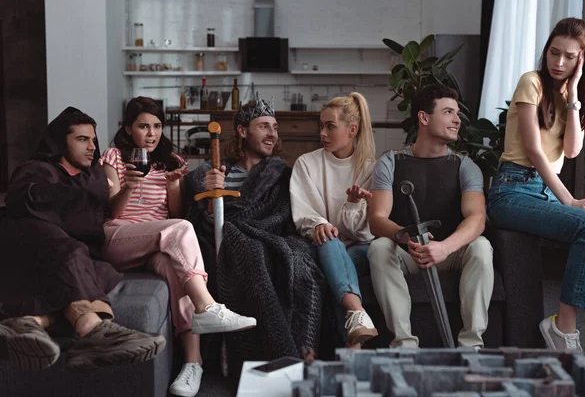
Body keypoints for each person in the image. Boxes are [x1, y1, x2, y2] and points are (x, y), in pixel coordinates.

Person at [101, 96, 256, 397]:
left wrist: (173, 186)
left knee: (176, 268)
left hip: (156, 243)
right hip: (119, 237)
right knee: (183, 231)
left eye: (157, 126)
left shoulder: (170, 162)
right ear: (128, 129)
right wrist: (129, 187)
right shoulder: (114, 157)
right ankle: (208, 306)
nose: (151, 133)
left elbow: (172, 216)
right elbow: (112, 212)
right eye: (143, 126)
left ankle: (192, 363)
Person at [0, 107, 165, 373]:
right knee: (72, 251)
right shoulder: (37, 170)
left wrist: (118, 188)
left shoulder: (93, 177)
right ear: (60, 141)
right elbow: (23, 203)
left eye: (93, 140)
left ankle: (31, 321)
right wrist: (90, 189)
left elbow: (98, 222)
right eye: (82, 139)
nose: (92, 147)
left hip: (74, 255)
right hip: (30, 246)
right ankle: (93, 329)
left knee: (102, 270)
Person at [184, 97, 329, 373]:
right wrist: (208, 200)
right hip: (226, 244)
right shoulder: (214, 173)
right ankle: (279, 355)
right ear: (242, 131)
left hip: (268, 239)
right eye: (263, 126)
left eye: (274, 127)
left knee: (296, 256)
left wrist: (251, 231)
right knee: (248, 252)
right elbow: (198, 225)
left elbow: (283, 217)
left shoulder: (280, 174)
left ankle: (300, 350)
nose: (272, 134)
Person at [487, 17, 585, 352]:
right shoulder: (531, 83)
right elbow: (535, 151)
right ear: (546, 50)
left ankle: (562, 327)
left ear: (582, 61)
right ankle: (564, 329)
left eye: (569, 57)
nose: (559, 62)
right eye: (554, 53)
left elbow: (571, 150)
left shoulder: (569, 97)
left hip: (544, 194)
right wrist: (570, 201)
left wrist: (574, 93)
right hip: (511, 191)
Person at [367, 84, 494, 348]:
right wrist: (404, 238)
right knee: (379, 248)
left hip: (452, 252)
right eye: (448, 112)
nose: (457, 120)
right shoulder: (390, 162)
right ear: (424, 118)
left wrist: (445, 248)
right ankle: (404, 345)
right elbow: (377, 219)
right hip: (408, 251)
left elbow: (477, 218)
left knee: (481, 247)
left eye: (457, 113)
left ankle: (471, 347)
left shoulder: (465, 166)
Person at [290, 92, 379, 347]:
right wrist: (319, 223)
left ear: (352, 130)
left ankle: (354, 330)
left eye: (330, 126)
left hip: (362, 248)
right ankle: (356, 323)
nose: (322, 133)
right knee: (330, 241)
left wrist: (353, 205)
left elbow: (365, 232)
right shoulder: (306, 164)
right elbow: (304, 211)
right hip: (325, 246)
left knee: (339, 266)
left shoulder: (370, 168)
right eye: (322, 126)